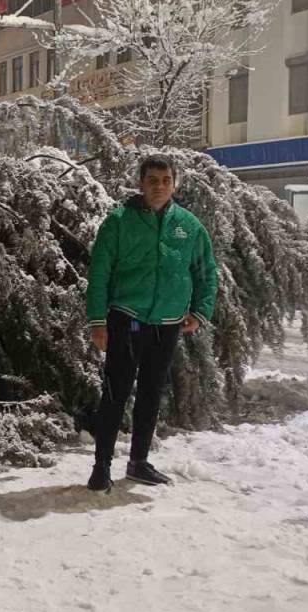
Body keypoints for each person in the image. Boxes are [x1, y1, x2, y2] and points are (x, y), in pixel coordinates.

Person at [84, 155, 219, 492]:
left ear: (175, 183)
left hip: (168, 323)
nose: (159, 186)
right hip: (126, 318)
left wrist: (200, 311)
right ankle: (101, 466)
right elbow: (99, 274)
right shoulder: (118, 222)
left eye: (166, 180)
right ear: (141, 183)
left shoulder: (189, 225)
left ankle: (139, 462)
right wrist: (98, 322)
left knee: (151, 394)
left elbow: (206, 272)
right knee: (115, 394)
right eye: (152, 180)